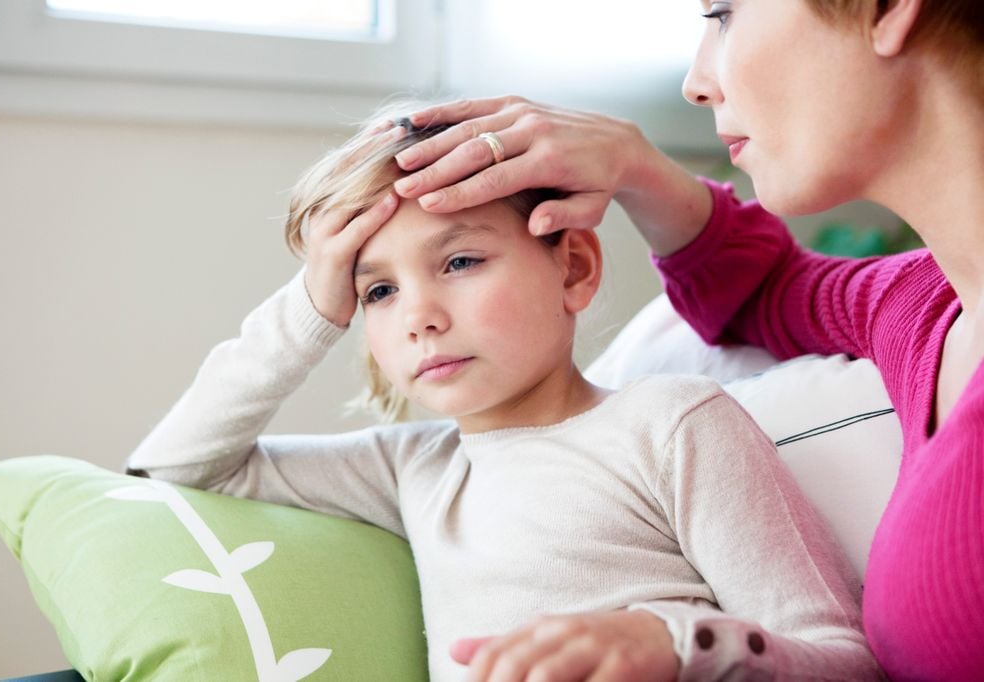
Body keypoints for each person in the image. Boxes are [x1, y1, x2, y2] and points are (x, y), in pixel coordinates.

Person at [124, 104, 880, 681]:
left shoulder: (671, 423)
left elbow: (843, 660)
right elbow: (181, 466)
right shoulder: (412, 469)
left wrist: (673, 642)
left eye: (459, 262)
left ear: (574, 268)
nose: (419, 315)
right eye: (378, 291)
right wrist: (313, 305)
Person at [384, 1, 984, 679]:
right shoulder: (924, 308)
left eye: (723, 14)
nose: (696, 81)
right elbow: (761, 287)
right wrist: (630, 162)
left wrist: (683, 648)